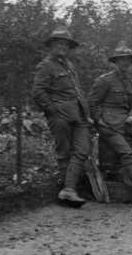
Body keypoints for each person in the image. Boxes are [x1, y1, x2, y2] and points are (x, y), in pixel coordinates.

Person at [31, 26, 91, 207]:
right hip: (60, 116)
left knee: (82, 150)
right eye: (58, 43)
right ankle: (67, 191)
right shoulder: (45, 66)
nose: (62, 47)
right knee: (63, 152)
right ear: (51, 46)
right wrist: (53, 111)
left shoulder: (70, 66)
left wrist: (86, 114)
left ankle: (67, 189)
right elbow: (38, 91)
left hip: (78, 115)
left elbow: (77, 91)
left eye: (65, 44)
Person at [88, 42, 132, 202]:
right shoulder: (104, 81)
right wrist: (99, 121)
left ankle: (125, 171)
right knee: (127, 152)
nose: (125, 63)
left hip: (125, 121)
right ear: (115, 62)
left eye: (128, 60)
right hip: (109, 125)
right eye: (121, 60)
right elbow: (93, 102)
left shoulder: (130, 83)